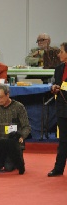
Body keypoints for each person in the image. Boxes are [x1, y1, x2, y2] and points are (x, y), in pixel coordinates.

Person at [0, 84, 31, 172]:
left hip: (13, 145)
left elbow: (26, 127)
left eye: (1, 97)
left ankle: (15, 161)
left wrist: (22, 136)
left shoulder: (19, 107)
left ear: (8, 95)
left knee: (8, 168)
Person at [47, 42, 67, 177]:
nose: (59, 54)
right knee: (63, 140)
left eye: (61, 51)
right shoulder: (59, 68)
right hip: (62, 108)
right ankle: (58, 168)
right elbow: (57, 83)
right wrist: (54, 88)